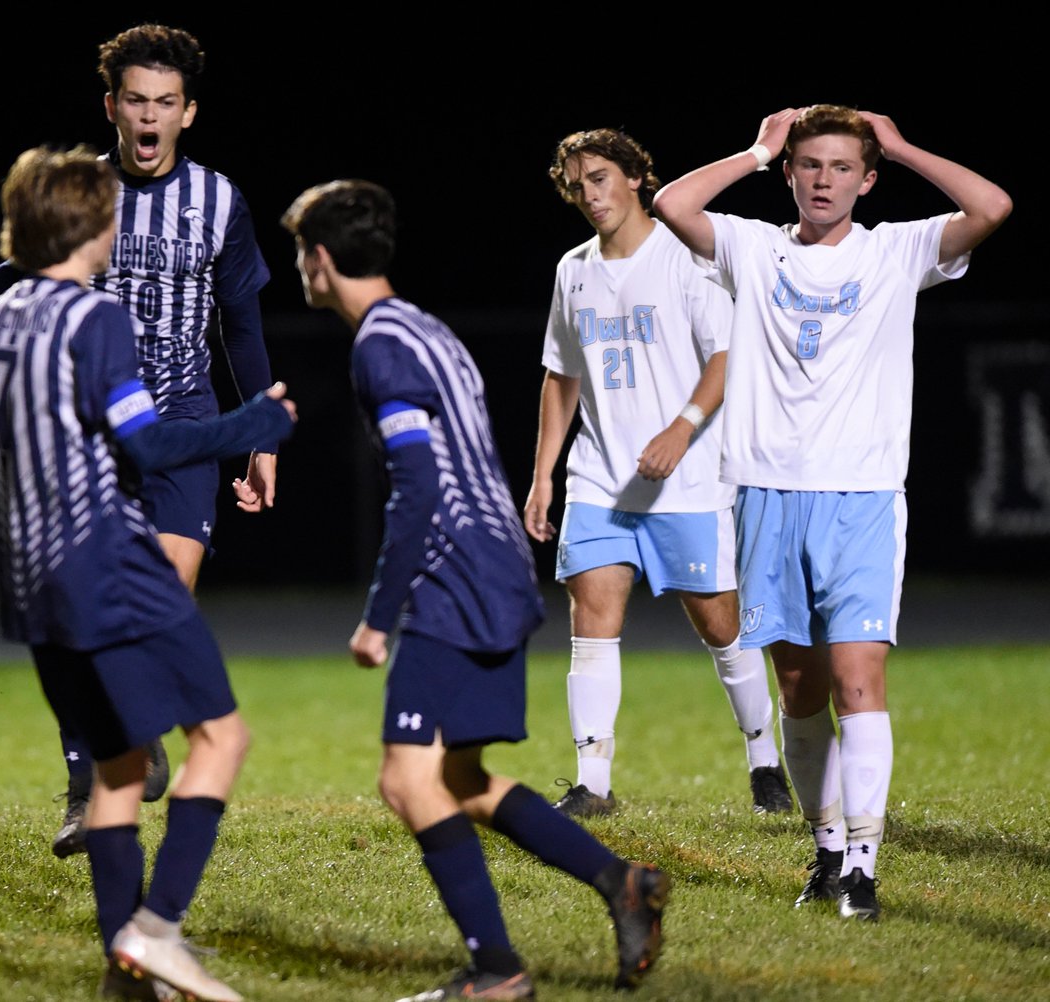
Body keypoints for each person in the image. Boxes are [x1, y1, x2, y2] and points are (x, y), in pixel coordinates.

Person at [274, 178, 668, 1001]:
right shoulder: (426, 329)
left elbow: (419, 484)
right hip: (498, 569)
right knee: (456, 778)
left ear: (318, 259)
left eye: (299, 255)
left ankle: (498, 969)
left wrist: (381, 617)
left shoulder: (379, 346)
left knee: (404, 779)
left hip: (454, 577)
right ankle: (620, 882)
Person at [0, 23, 278, 858]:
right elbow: (19, 266)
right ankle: (91, 785)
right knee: (88, 611)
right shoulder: (87, 191)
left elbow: (240, 325)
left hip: (180, 423)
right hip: (89, 431)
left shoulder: (220, 201)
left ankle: (131, 745)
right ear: (111, 105)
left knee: (158, 604)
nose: (148, 117)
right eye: (135, 100)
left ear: (189, 113)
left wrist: (260, 441)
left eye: (165, 104)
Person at [653, 105, 1011, 920]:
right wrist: (754, 150)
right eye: (809, 165)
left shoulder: (897, 251)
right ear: (790, 172)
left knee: (859, 681)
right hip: (768, 495)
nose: (824, 180)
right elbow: (673, 206)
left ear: (867, 179)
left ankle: (862, 865)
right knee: (799, 690)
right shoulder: (755, 246)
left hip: (862, 499)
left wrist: (907, 143)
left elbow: (992, 208)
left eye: (842, 167)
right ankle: (822, 845)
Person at [0, 145, 294, 1001]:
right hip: (109, 561)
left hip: (30, 588)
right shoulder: (96, 318)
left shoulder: (0, 322)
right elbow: (144, 444)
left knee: (116, 769)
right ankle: (159, 931)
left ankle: (125, 971)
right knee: (222, 739)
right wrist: (250, 426)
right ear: (92, 224)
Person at [526, 128, 791, 818]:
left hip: (688, 482)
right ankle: (594, 783)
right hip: (599, 482)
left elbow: (726, 358)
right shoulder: (573, 269)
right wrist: (544, 475)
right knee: (592, 620)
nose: (591, 194)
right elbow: (561, 376)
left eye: (603, 177)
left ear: (639, 177)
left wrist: (681, 428)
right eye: (579, 184)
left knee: (720, 627)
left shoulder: (686, 256)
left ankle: (765, 757)